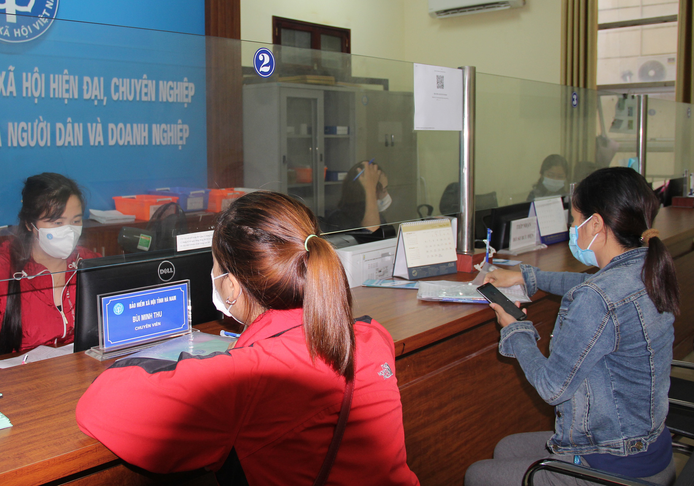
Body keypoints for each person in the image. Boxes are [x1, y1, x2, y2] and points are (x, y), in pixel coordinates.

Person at [76, 191, 419, 486]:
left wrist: (204, 368)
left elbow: (100, 405)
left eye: (214, 266)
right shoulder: (372, 335)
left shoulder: (248, 375)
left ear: (232, 285)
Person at [464, 167, 679, 486]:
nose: (574, 229)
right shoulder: (647, 267)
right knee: (506, 448)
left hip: (613, 463)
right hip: (649, 446)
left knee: (477, 474)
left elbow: (551, 387)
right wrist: (528, 276)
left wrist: (515, 329)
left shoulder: (598, 298)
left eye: (576, 220)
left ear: (596, 224)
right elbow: (589, 286)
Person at [0, 172, 99, 378]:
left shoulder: (89, 262)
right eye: (58, 223)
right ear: (30, 224)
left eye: (76, 221)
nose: (69, 231)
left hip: (81, 377)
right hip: (20, 383)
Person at [322, 160, 396, 240]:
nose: (386, 195)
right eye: (383, 191)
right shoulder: (339, 220)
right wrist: (370, 188)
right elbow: (372, 236)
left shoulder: (378, 217)